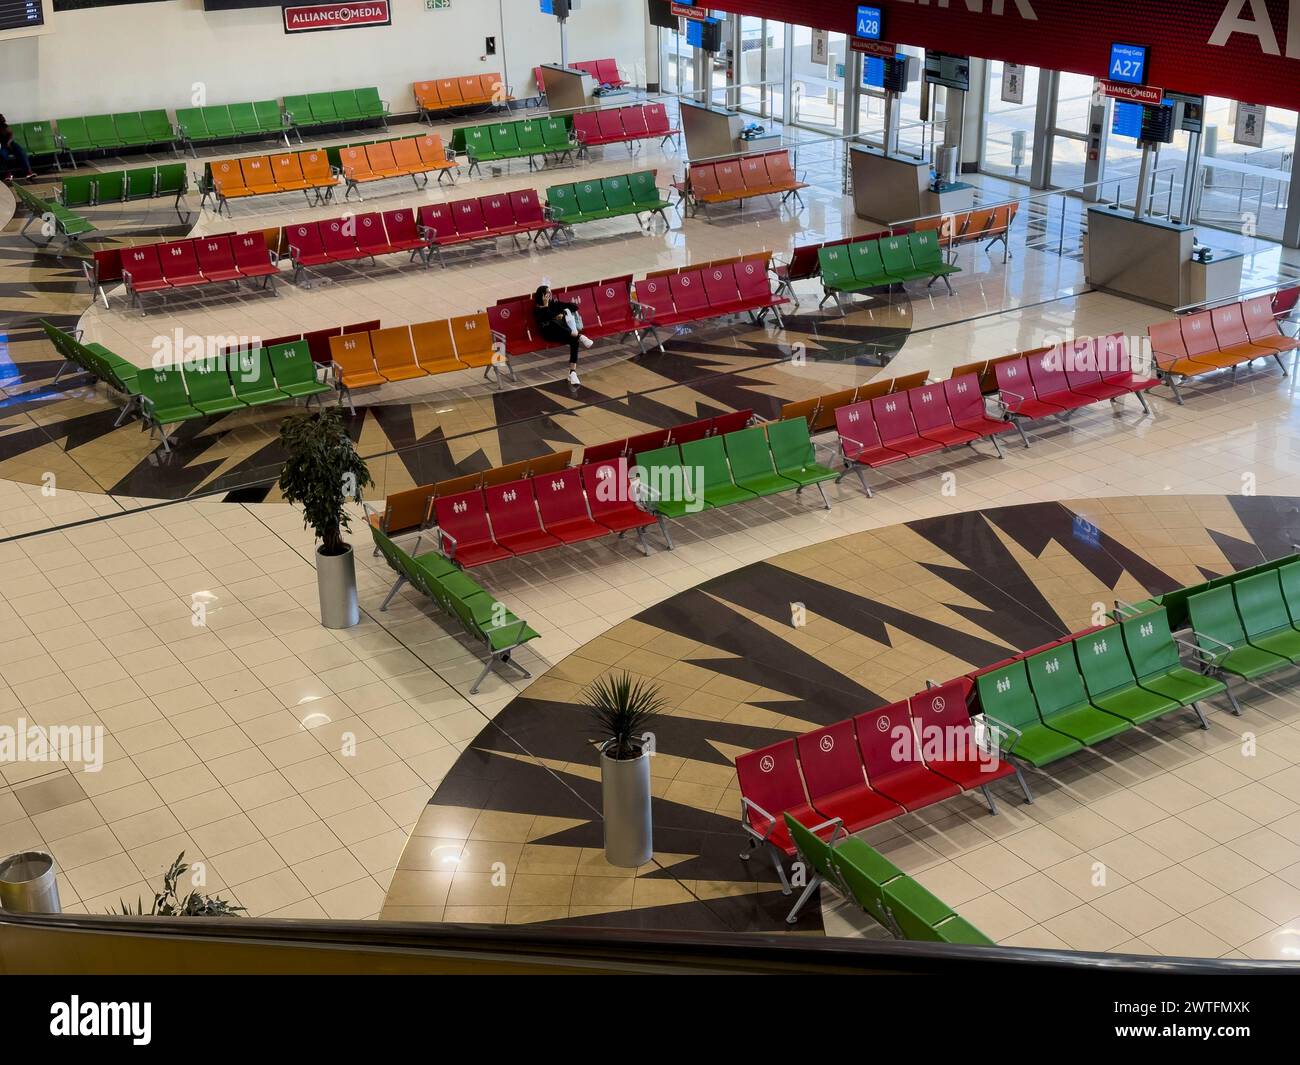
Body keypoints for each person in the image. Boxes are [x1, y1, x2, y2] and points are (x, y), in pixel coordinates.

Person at [533, 284, 592, 386]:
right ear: (541, 295)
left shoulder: (554, 304)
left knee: (574, 341)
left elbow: (574, 306)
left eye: (550, 292)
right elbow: (547, 316)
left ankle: (572, 372)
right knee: (553, 323)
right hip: (549, 335)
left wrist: (563, 314)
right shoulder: (537, 310)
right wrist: (547, 307)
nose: (549, 294)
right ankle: (580, 336)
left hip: (561, 333)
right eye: (547, 293)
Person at [0, 116, 36, 183]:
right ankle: (8, 174)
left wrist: (9, 142)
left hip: (11, 144)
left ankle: (28, 172)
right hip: (3, 146)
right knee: (2, 155)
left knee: (21, 153)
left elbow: (11, 135)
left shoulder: (5, 126)